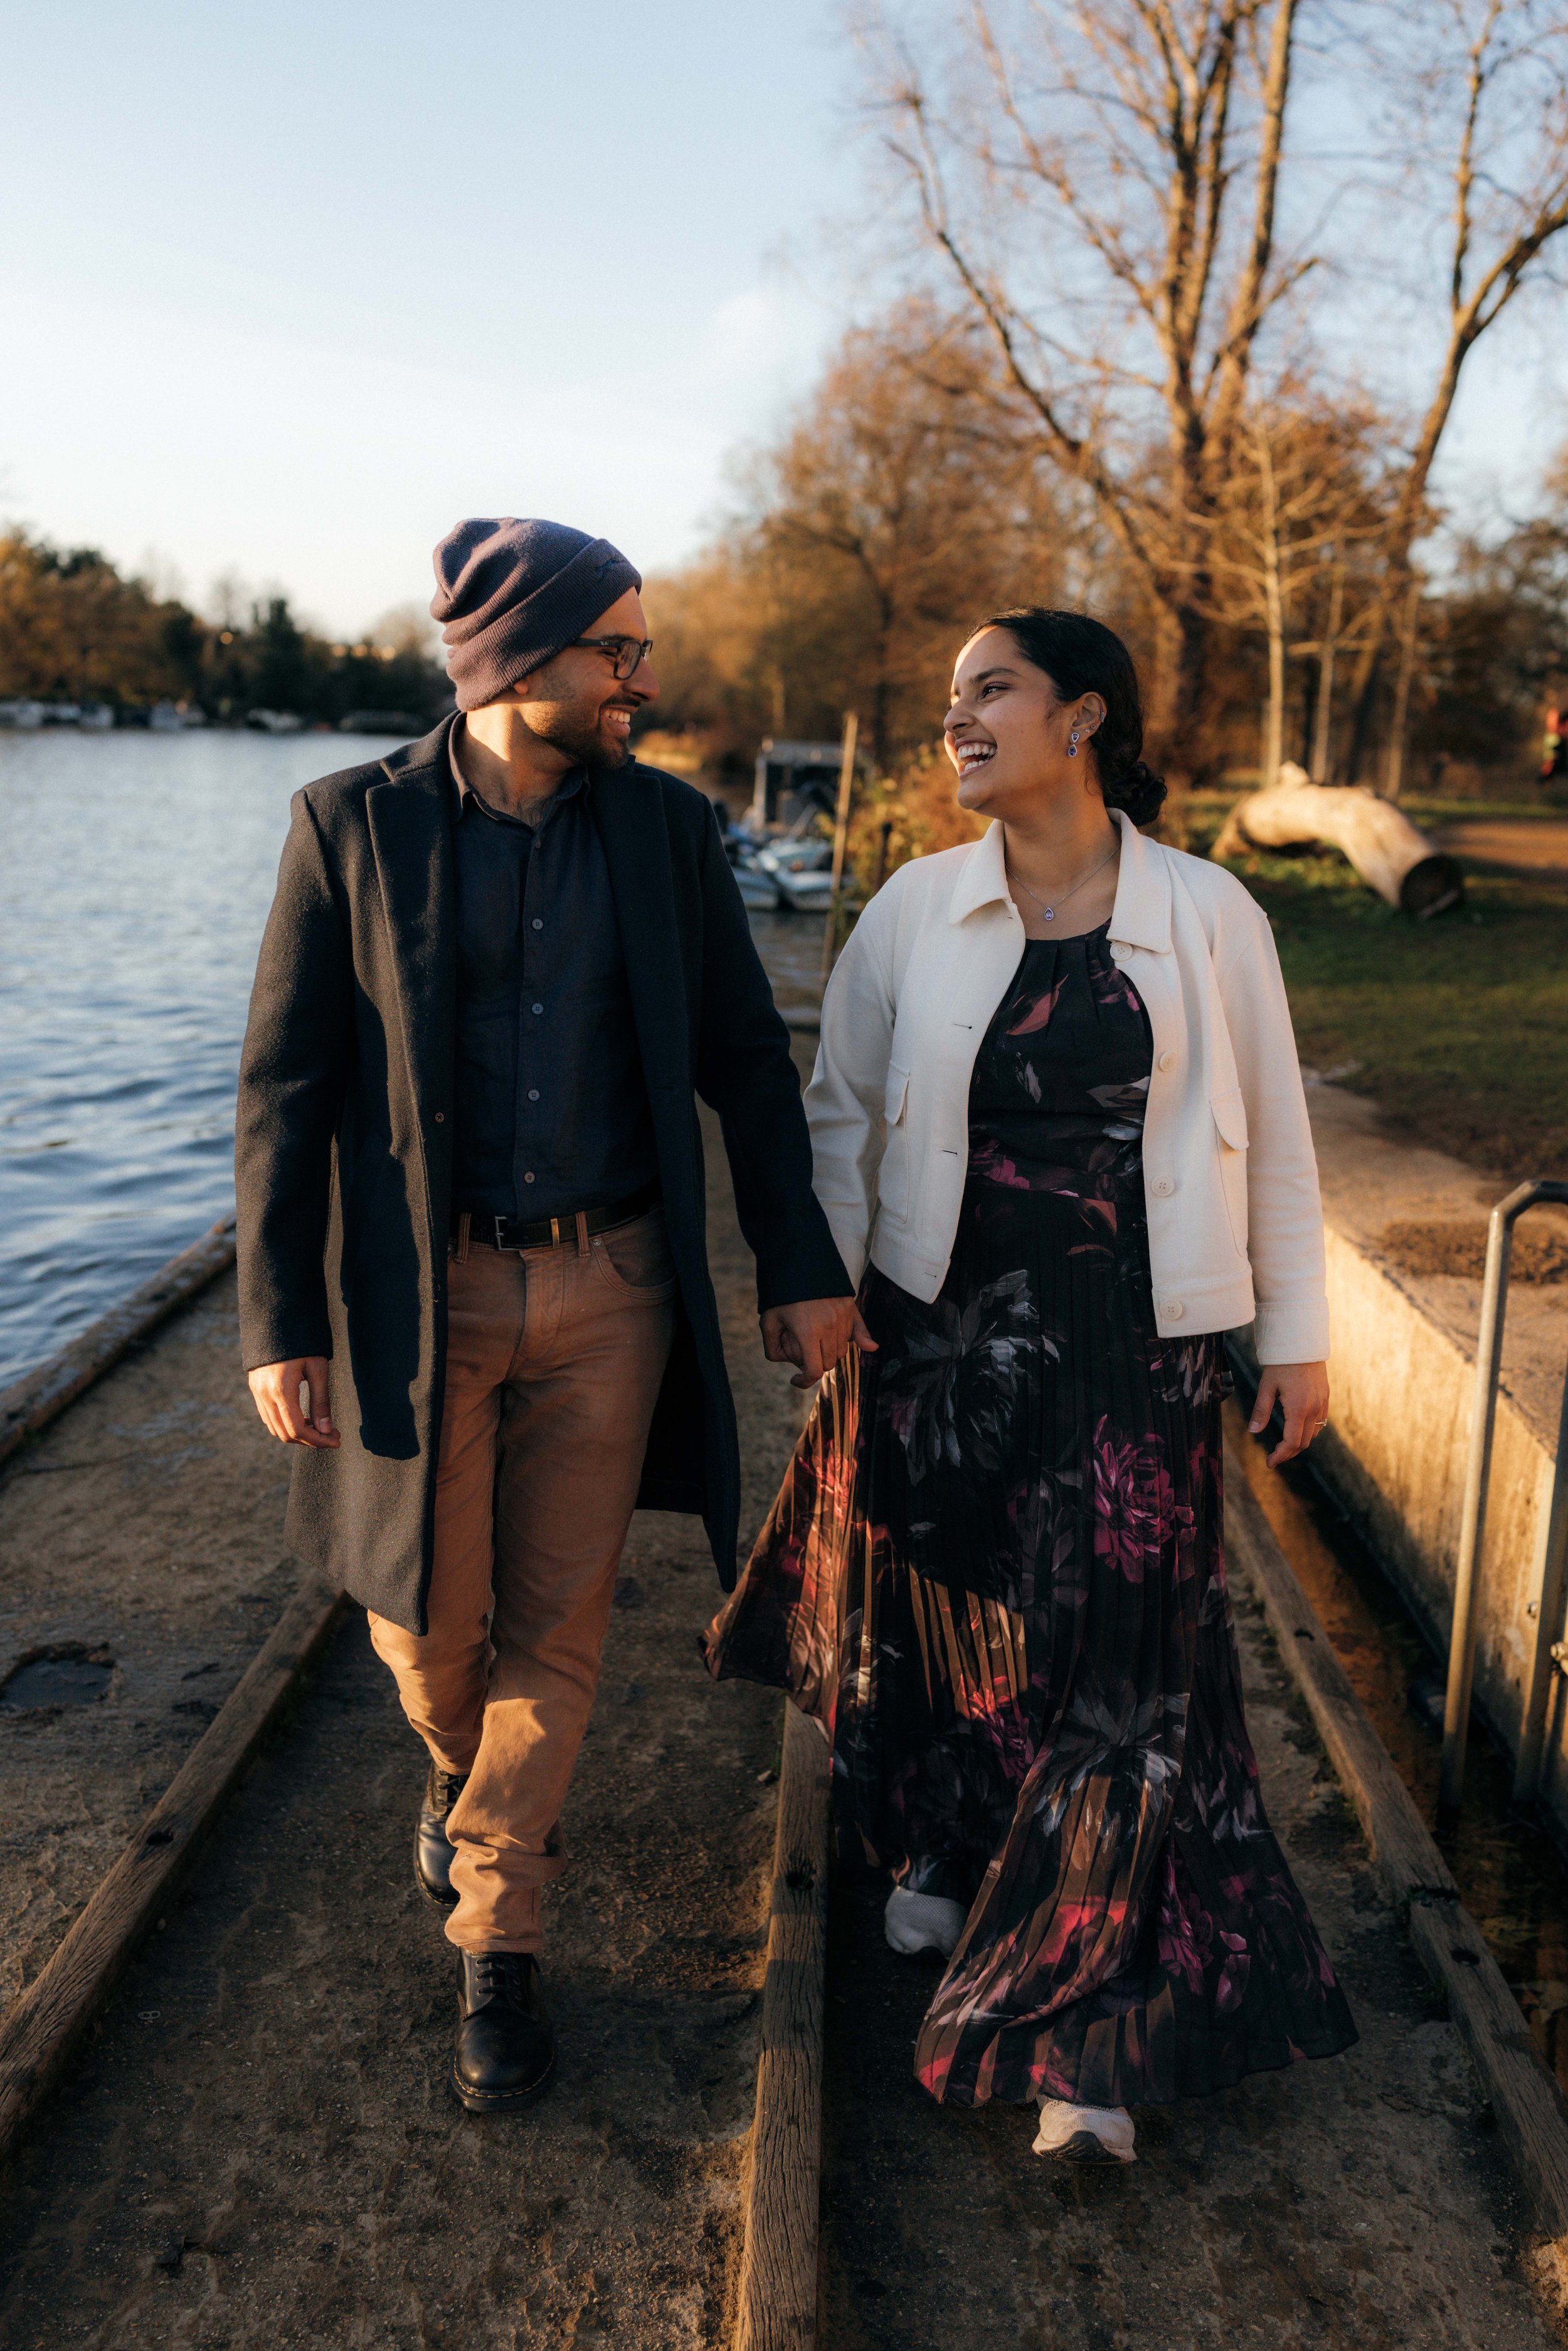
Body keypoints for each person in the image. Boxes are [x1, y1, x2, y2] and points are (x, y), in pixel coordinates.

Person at [706, 608, 1356, 2164]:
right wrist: (825, 1304)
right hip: (936, 1326)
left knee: (1122, 1674)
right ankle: (949, 1837)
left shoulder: (1208, 912)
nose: (956, 718)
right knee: (957, 1614)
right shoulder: (913, 910)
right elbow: (841, 1116)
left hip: (1138, 1339)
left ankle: (1089, 2023)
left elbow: (1265, 1131)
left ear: (1082, 714)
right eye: (946, 698)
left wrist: (1298, 1333)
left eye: (986, 689)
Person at [236, 516, 854, 2114]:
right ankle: (468, 1786)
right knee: (421, 1622)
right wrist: (273, 1318)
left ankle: (499, 1934)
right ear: (520, 662)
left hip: (614, 1288)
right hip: (415, 1299)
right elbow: (285, 1094)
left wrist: (796, 1262)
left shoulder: (665, 833)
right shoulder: (345, 824)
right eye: (618, 651)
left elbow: (739, 1060)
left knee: (557, 1624)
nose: (643, 677)